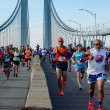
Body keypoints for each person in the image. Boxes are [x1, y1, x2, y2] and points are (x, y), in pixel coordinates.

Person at [80, 40, 108, 110]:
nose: (98, 45)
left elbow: (106, 60)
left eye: (99, 44)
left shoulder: (104, 52)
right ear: (94, 45)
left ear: (101, 45)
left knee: (100, 88)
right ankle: (90, 102)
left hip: (101, 72)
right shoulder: (90, 51)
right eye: (96, 44)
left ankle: (100, 107)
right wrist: (88, 58)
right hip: (91, 73)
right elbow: (80, 60)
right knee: (91, 89)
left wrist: (107, 65)